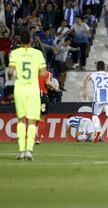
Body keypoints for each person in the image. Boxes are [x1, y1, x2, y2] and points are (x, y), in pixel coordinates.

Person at [8, 30, 47, 160]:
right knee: (31, 121)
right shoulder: (37, 53)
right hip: (33, 90)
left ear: (20, 41)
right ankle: (29, 150)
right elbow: (43, 73)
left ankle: (21, 150)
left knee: (21, 120)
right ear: (30, 40)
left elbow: (10, 72)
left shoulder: (15, 53)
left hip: (19, 90)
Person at [82, 61, 108, 148]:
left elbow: (86, 79)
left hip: (98, 98)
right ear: (104, 67)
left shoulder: (93, 74)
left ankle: (97, 130)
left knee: (95, 115)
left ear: (97, 67)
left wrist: (85, 90)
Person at [36, 68, 60, 144]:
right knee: (42, 118)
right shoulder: (47, 73)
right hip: (42, 96)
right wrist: (55, 88)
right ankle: (38, 138)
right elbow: (47, 83)